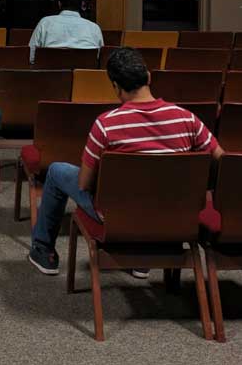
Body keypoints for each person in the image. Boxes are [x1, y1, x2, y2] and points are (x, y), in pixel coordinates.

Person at [28, 47, 223, 275]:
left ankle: (43, 251)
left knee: (56, 170)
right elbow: (221, 159)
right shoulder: (187, 118)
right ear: (149, 77)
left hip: (118, 217)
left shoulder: (106, 125)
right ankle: (141, 260)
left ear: (116, 88)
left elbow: (83, 185)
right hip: (175, 214)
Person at [27, 0, 103, 64]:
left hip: (50, 75)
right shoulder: (94, 28)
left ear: (59, 4)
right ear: (82, 5)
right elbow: (100, 59)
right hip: (85, 76)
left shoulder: (45, 23)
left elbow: (31, 56)